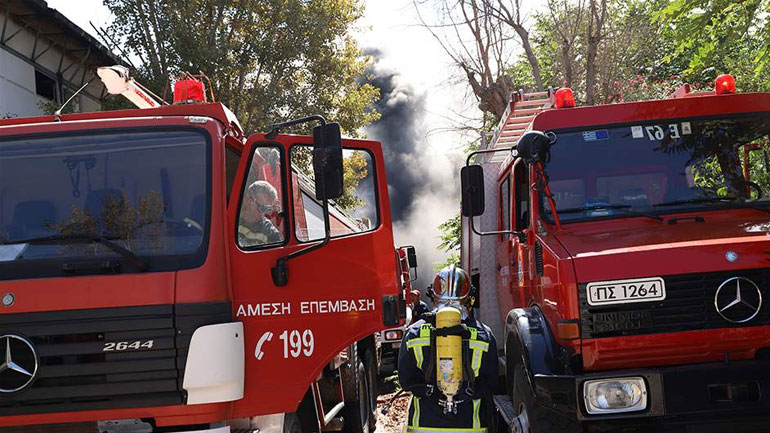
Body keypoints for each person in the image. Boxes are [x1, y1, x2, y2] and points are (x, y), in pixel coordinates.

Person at [398, 265, 498, 433]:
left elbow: (406, 380)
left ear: (432, 295)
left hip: (424, 426)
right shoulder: (484, 335)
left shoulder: (413, 333)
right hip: (470, 427)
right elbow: (491, 383)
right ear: (470, 297)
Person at [238, 180, 282, 247]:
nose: (263, 213)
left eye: (267, 209)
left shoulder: (270, 233)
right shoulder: (230, 217)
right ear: (246, 199)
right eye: (261, 207)